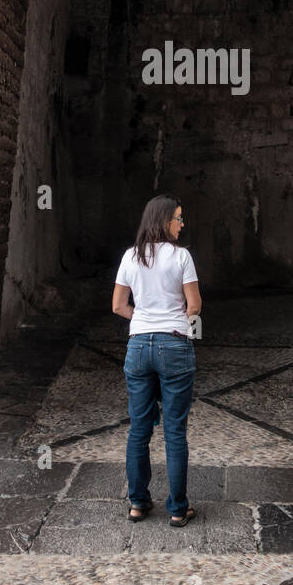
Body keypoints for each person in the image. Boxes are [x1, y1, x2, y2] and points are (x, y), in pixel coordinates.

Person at [112, 194, 201, 526]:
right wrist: (172, 317)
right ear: (165, 222)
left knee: (138, 429)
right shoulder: (181, 257)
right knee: (175, 431)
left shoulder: (130, 257)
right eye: (178, 218)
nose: (181, 224)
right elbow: (194, 305)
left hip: (138, 346)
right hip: (174, 345)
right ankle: (178, 509)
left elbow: (119, 306)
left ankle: (138, 504)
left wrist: (143, 317)